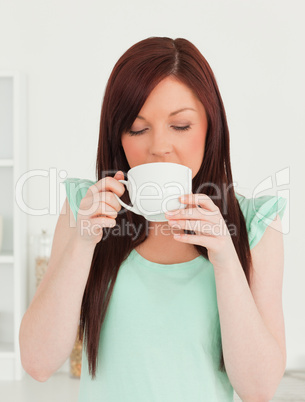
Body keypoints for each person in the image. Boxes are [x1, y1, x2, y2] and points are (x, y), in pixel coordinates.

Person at [19, 37, 288, 401]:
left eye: (180, 126)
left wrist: (224, 258)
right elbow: (38, 362)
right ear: (118, 136)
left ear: (211, 127)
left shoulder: (255, 224)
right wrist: (83, 243)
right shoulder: (86, 210)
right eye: (138, 128)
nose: (159, 146)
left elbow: (259, 389)